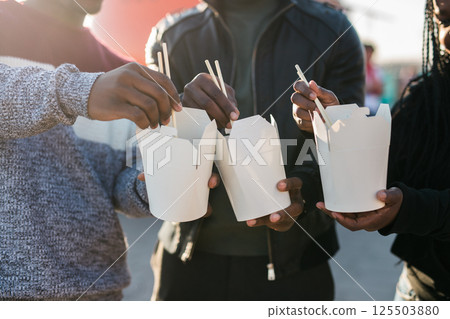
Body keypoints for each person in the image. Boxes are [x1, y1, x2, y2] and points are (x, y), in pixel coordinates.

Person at [146, 0, 365, 300]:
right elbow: (151, 140)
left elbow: (354, 143)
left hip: (297, 263)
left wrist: (306, 190)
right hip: (187, 259)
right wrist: (181, 118)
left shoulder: (333, 32)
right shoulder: (170, 37)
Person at [0, 0, 183, 300]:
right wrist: (79, 91)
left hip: (99, 294)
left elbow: (120, 186)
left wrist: (161, 179)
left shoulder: (118, 68)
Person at [292, 0, 450, 301]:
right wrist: (338, 128)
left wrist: (410, 209)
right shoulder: (425, 100)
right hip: (419, 293)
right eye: (443, 20)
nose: (445, 38)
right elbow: (386, 170)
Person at [364, 43, 384, 115]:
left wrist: (367, 87)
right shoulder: (357, 69)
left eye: (370, 52)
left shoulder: (377, 69)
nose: (368, 55)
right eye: (366, 52)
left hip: (375, 106)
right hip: (362, 106)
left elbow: (380, 90)